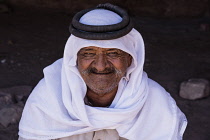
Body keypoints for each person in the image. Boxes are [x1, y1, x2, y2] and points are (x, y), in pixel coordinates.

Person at [18, 3, 187, 140]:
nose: (100, 66)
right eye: (89, 53)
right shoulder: (48, 96)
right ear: (75, 59)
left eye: (113, 53)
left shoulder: (155, 102)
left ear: (129, 59)